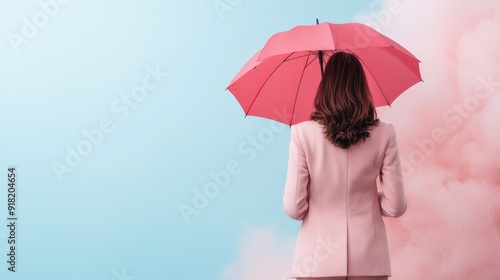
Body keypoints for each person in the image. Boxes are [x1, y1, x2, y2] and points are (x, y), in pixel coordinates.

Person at [283, 51, 407, 280]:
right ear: (362, 87)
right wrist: (366, 199)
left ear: (326, 87)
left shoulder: (302, 133)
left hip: (315, 262)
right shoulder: (385, 133)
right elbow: (395, 206)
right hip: (370, 261)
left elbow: (294, 208)